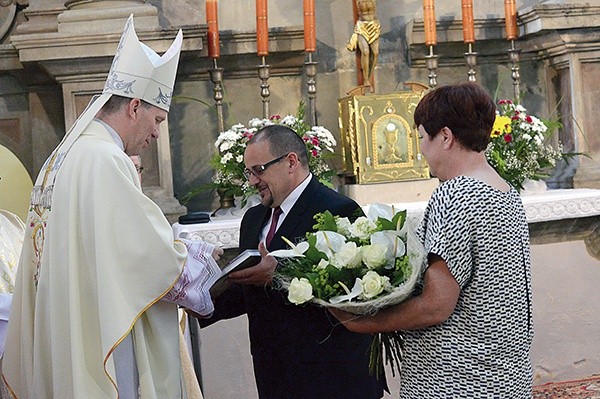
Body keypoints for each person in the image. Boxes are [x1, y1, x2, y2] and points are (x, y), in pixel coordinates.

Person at [3, 15, 222, 398]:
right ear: (134, 107)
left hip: (71, 325)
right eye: (156, 119)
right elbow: (145, 256)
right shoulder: (105, 158)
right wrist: (200, 260)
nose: (156, 133)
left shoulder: (65, 155)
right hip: (99, 329)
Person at [330, 83, 534, 397]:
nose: (421, 149)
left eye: (423, 137)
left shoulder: (455, 194)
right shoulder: (504, 190)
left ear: (446, 137)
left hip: (457, 378)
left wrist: (361, 322)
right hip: (504, 374)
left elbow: (436, 306)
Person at [196, 124, 386, 398]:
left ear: (291, 162)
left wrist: (279, 275)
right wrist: (201, 303)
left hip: (332, 376)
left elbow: (349, 288)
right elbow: (249, 289)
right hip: (274, 373)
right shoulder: (252, 219)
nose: (252, 181)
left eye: (259, 170)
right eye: (248, 172)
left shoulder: (337, 209)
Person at [347, 0, 380, 88]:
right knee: (365, 52)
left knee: (375, 53)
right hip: (362, 27)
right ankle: (365, 80)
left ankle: (369, 75)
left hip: (373, 26)